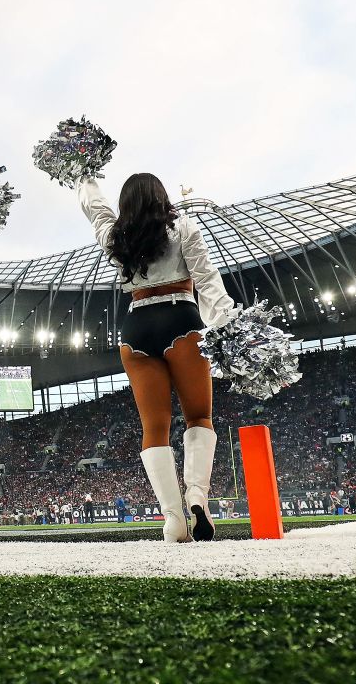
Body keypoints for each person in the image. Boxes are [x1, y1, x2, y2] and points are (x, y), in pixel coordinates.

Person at [79, 173, 235, 542]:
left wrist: (84, 174)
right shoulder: (182, 227)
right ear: (162, 196)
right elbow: (208, 278)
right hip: (180, 318)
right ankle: (196, 495)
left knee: (154, 429)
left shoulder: (115, 236)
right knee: (198, 415)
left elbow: (94, 208)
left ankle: (172, 520)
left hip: (136, 328)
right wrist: (227, 321)